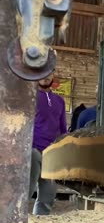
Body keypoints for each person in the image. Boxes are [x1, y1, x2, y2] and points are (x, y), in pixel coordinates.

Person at [31, 71, 67, 215]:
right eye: (42, 73)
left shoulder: (59, 101)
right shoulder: (30, 98)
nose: (46, 77)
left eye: (49, 73)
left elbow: (63, 127)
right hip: (33, 150)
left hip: (52, 152)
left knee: (48, 196)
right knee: (25, 191)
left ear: (53, 76)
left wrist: (62, 148)